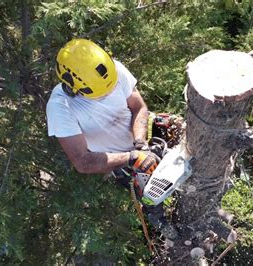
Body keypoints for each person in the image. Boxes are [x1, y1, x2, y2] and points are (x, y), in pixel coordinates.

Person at [46, 39, 175, 238]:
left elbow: (138, 107)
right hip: (121, 161)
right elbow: (82, 161)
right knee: (151, 196)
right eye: (98, 95)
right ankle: (162, 222)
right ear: (73, 86)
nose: (106, 95)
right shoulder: (60, 107)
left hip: (139, 140)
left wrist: (140, 143)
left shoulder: (113, 71)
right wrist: (132, 158)